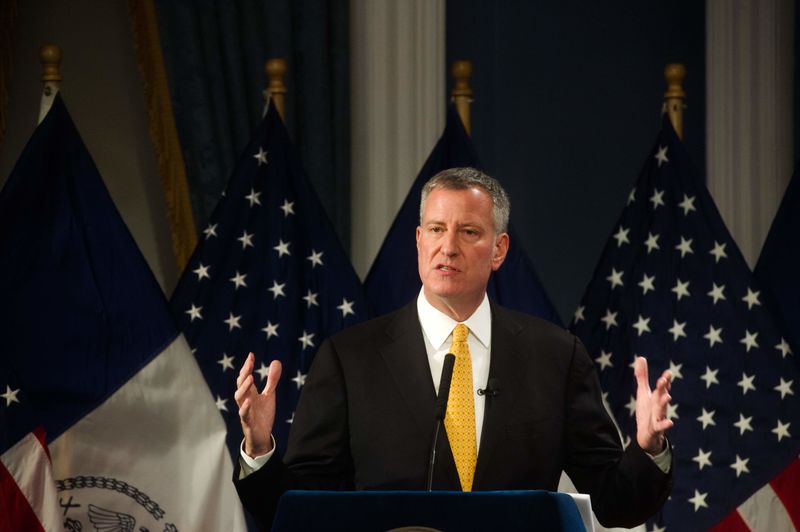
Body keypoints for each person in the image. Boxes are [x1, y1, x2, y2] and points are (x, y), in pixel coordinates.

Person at [234, 167, 673, 529]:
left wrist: (648, 447)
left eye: (468, 232)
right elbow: (297, 511)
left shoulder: (556, 357)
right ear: (419, 240)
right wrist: (259, 449)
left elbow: (617, 503)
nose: (449, 247)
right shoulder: (350, 359)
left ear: (498, 250)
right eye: (437, 230)